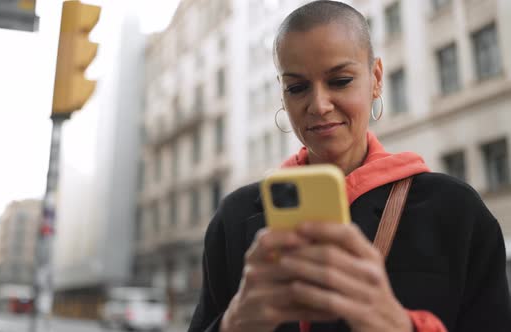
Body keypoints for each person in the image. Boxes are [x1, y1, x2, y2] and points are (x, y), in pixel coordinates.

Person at [188, 1, 511, 332]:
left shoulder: (456, 211)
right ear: (282, 95)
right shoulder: (236, 217)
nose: (319, 105)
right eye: (297, 87)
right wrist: (234, 323)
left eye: (340, 80)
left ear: (375, 79)